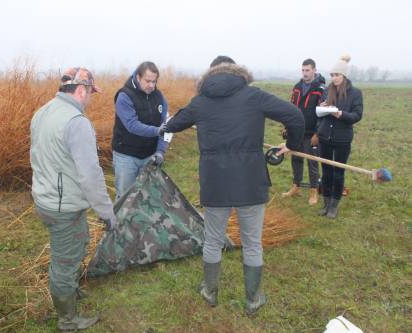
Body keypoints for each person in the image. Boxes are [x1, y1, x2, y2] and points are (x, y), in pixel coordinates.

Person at [164, 56, 304, 315]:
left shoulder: (200, 102)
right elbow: (294, 115)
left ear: (210, 73)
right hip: (250, 182)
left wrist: (167, 125)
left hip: (215, 183)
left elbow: (172, 125)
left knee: (213, 240)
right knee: (252, 243)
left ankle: (210, 291)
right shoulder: (254, 96)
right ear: (236, 72)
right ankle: (253, 300)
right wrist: (293, 145)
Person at [30, 67, 116, 331]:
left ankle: (70, 291)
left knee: (80, 242)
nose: (90, 97)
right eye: (90, 92)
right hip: (62, 206)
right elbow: (90, 175)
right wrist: (107, 212)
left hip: (46, 198)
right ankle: (67, 319)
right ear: (81, 90)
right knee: (64, 263)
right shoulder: (76, 122)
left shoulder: (43, 111)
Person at [112, 61, 168, 199]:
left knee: (149, 197)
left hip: (150, 156)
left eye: (154, 82)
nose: (151, 85)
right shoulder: (124, 96)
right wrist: (157, 131)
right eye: (147, 81)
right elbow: (132, 125)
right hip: (126, 156)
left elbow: (166, 127)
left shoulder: (160, 97)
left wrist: (160, 151)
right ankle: (119, 221)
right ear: (138, 77)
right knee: (125, 197)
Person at [317, 55, 363, 219]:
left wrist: (341, 114)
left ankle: (334, 205)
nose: (334, 78)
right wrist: (321, 108)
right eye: (332, 75)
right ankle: (326, 203)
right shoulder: (326, 91)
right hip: (325, 138)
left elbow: (357, 115)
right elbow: (319, 114)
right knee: (326, 171)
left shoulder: (355, 93)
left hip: (342, 139)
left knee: (338, 172)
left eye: (337, 75)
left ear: (344, 76)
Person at [282, 58, 326, 205]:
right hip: (297, 131)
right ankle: (296, 186)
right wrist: (287, 126)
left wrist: (317, 134)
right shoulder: (297, 87)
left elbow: (322, 114)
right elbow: (291, 108)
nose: (305, 73)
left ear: (314, 70)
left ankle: (314, 191)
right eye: (303, 70)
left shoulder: (320, 90)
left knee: (312, 162)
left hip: (312, 132)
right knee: (296, 159)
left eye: (307, 70)